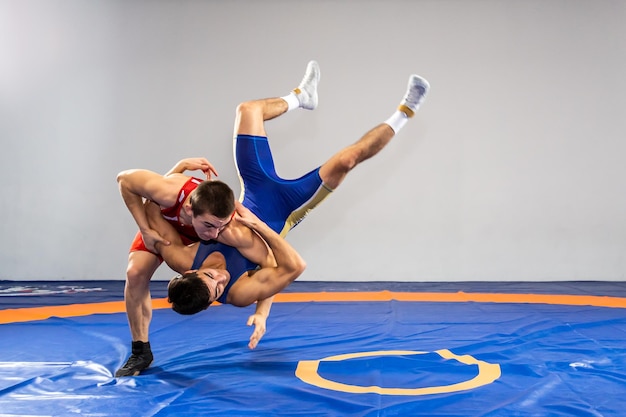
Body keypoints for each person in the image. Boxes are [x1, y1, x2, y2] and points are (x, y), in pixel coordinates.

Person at [148, 61, 430, 350]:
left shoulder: (181, 259)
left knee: (248, 110)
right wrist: (258, 231)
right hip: (287, 209)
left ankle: (300, 96)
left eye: (211, 277)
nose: (222, 278)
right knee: (348, 160)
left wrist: (177, 171)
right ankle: (406, 111)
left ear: (189, 272)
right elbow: (292, 267)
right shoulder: (238, 294)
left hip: (255, 189)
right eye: (217, 289)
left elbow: (151, 201)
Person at [113, 61, 325, 377]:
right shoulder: (167, 196)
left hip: (184, 228)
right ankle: (140, 350)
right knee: (135, 272)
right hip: (164, 228)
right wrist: (146, 228)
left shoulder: (218, 225)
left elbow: (274, 267)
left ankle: (298, 96)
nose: (214, 231)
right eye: (209, 226)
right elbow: (128, 184)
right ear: (189, 213)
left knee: (228, 235)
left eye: (216, 225)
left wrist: (262, 310)